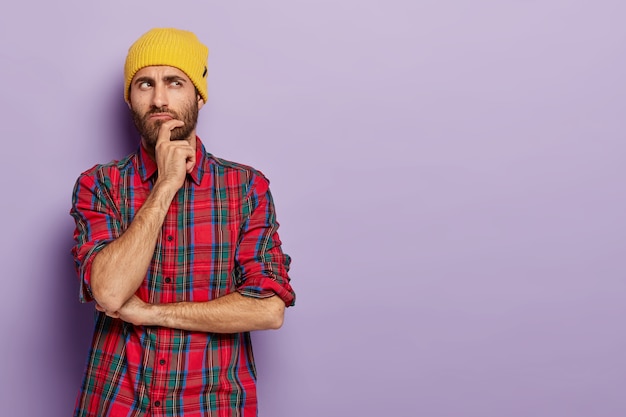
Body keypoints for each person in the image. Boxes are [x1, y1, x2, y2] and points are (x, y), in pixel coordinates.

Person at [70, 28, 295, 417]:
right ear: (129, 98)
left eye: (175, 82)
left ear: (198, 95)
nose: (159, 99)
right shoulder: (99, 184)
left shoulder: (246, 188)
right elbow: (108, 292)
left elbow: (268, 308)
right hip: (115, 403)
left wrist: (156, 313)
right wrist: (166, 185)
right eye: (145, 84)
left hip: (212, 404)